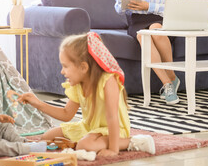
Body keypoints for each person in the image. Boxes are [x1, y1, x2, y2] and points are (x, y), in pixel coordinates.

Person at [18, 32, 155, 156]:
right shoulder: (78, 83)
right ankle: (82, 143)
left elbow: (112, 117)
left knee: (85, 146)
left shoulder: (108, 81)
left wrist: (113, 150)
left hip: (113, 130)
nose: (62, 71)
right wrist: (37, 103)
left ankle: (133, 141)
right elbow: (66, 114)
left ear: (83, 67)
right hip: (89, 128)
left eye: (65, 66)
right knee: (46, 137)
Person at [114, 0, 180, 105]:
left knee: (155, 30)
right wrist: (126, 0)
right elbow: (117, 7)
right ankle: (169, 82)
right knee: (144, 35)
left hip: (159, 19)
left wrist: (148, 6)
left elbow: (173, 8)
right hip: (136, 20)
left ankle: (170, 80)